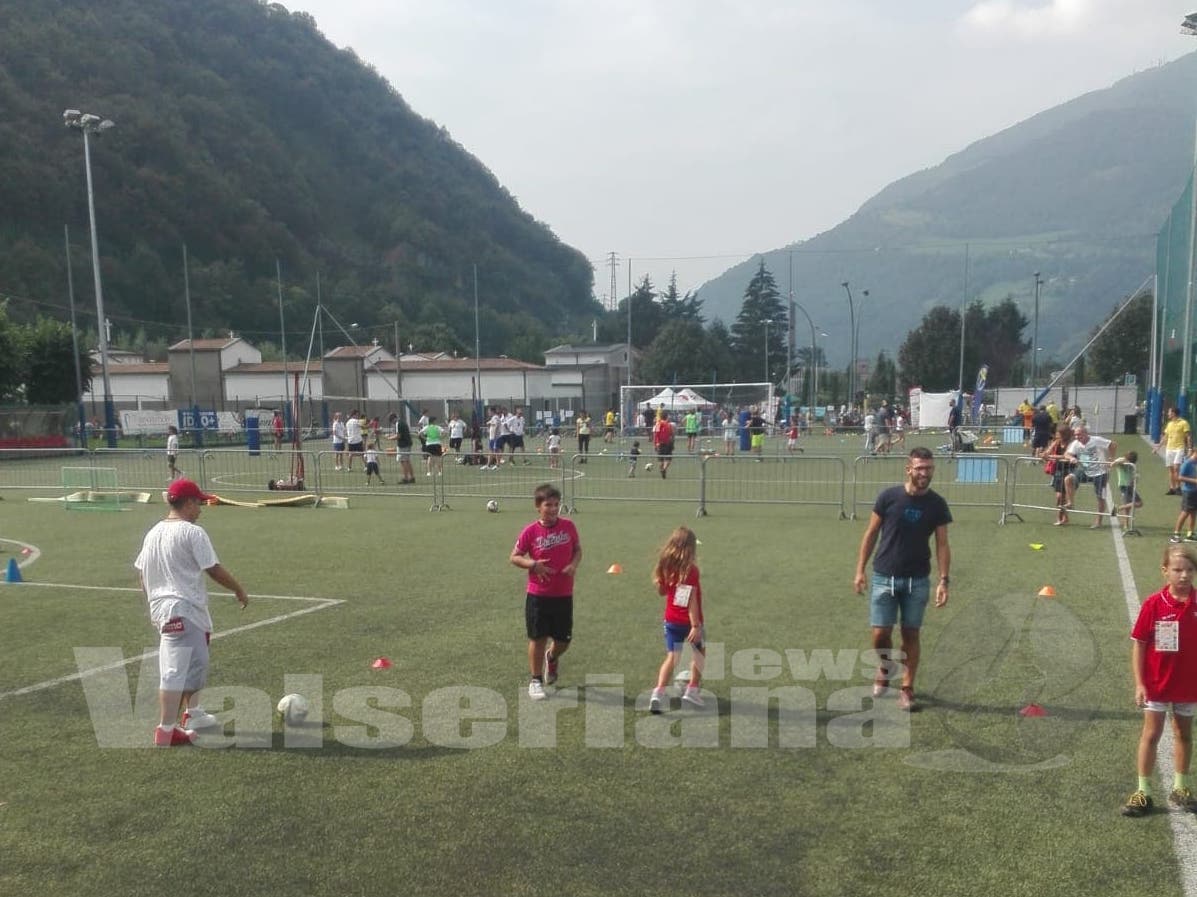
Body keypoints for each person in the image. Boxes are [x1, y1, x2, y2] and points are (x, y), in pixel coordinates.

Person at [134, 478, 249, 747]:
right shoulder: (192, 532)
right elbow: (213, 568)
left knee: (195, 663)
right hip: (182, 608)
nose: (200, 509)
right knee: (177, 670)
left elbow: (142, 574)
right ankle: (166, 730)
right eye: (198, 503)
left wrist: (153, 605)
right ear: (187, 504)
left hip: (172, 609)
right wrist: (238, 589)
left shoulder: (153, 533)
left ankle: (193, 713)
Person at [852, 446, 953, 712]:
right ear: (908, 469)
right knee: (880, 634)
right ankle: (886, 668)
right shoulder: (888, 497)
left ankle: (907, 688)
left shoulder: (937, 504)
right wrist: (860, 570)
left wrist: (943, 580)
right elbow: (871, 534)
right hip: (884, 576)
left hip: (917, 580)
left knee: (911, 634)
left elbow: (942, 544)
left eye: (929, 469)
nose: (924, 473)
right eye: (919, 468)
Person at [1121, 544, 1197, 816]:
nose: (1184, 575)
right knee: (1151, 734)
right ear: (1165, 571)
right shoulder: (1154, 604)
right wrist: (1140, 683)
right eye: (1177, 570)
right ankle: (1143, 791)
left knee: (1184, 734)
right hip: (1156, 684)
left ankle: (1180, 787)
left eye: (1189, 570)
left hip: (1189, 685)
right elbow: (1140, 644)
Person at [510, 484, 582, 701]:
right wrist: (533, 564)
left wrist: (573, 565)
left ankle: (552, 657)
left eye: (556, 504)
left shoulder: (568, 526)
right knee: (538, 638)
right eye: (548, 505)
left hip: (563, 594)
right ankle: (535, 680)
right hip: (538, 595)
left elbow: (578, 550)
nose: (553, 509)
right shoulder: (530, 531)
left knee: (563, 640)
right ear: (538, 507)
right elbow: (515, 556)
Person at [648, 526, 706, 713]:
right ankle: (692, 690)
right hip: (688, 622)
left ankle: (658, 693)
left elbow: (662, 592)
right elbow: (691, 601)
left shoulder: (666, 566)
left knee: (672, 657)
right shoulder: (691, 571)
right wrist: (695, 625)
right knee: (699, 653)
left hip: (671, 620)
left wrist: (661, 582)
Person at [1064, 421, 1116, 529]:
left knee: (1100, 497)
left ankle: (1098, 521)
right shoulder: (1076, 443)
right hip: (1085, 470)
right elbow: (1066, 454)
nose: (1077, 437)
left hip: (1100, 472)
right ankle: (1070, 502)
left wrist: (1111, 458)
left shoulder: (1096, 440)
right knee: (1068, 479)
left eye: (1079, 434)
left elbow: (1113, 444)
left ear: (1086, 433)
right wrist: (1071, 457)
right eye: (1075, 435)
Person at [1045, 426, 1074, 526]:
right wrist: (1043, 454)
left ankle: (1060, 517)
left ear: (1065, 435)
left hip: (1068, 471)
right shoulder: (1056, 442)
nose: (1057, 436)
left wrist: (1051, 456)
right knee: (1059, 497)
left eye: (1059, 434)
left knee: (1061, 496)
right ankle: (1064, 517)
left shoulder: (1071, 444)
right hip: (1058, 471)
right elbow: (1047, 452)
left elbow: (1065, 456)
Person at [1160, 406, 1192, 496]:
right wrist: (1157, 447)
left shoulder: (1184, 423)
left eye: (1169, 412)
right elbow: (1165, 437)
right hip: (1169, 449)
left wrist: (1189, 449)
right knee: (1170, 469)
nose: (1168, 414)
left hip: (1179, 448)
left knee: (1176, 468)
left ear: (1173, 413)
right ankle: (1172, 488)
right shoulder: (1169, 424)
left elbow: (1188, 436)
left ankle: (1178, 488)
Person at [1111, 450, 1143, 529]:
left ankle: (1125, 522)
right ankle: (1119, 511)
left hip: (1130, 486)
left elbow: (1136, 473)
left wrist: (1135, 478)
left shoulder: (1132, 464)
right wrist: (1122, 461)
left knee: (1130, 505)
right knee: (1137, 503)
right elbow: (1112, 464)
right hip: (1124, 486)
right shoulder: (1121, 460)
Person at [1172, 446, 1197, 543]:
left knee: (1193, 512)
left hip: (1195, 491)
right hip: (1188, 491)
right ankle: (1176, 535)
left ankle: (1190, 534)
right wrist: (1194, 481)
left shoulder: (1195, 463)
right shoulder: (1187, 463)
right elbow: (1180, 477)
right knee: (1185, 512)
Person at [653, 411, 676, 479]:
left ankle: (662, 470)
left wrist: (655, 444)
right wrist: (673, 444)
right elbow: (672, 435)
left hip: (660, 443)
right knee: (668, 459)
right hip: (667, 443)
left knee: (661, 459)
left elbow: (656, 434)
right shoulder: (669, 425)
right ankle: (664, 469)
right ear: (666, 417)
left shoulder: (658, 424)